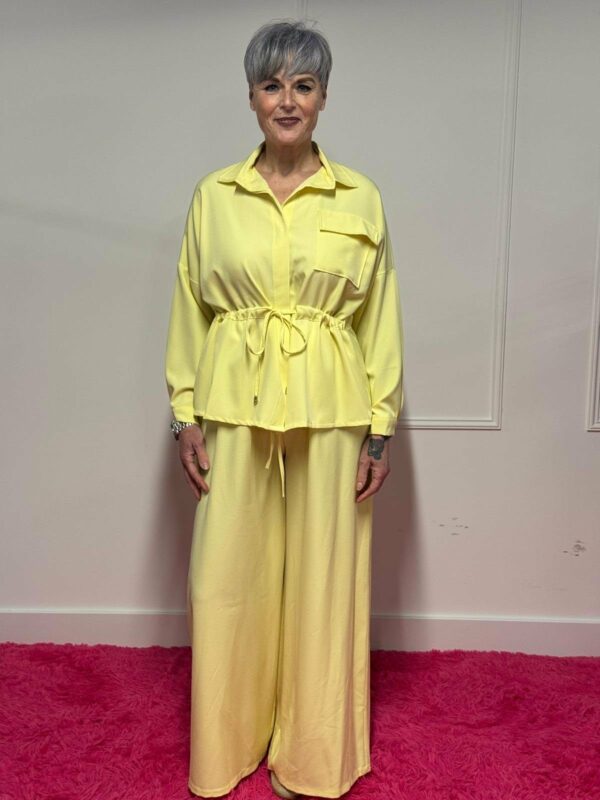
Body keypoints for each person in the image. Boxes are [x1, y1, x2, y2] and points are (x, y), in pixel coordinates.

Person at [164, 18, 404, 800]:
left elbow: (379, 318)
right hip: (234, 402)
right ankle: (227, 744)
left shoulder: (360, 196)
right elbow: (191, 307)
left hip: (332, 409)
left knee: (324, 581)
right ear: (252, 97)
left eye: (304, 85)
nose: (288, 100)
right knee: (225, 576)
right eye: (273, 85)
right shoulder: (214, 196)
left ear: (324, 97)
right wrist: (185, 412)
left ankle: (311, 756)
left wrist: (379, 429)